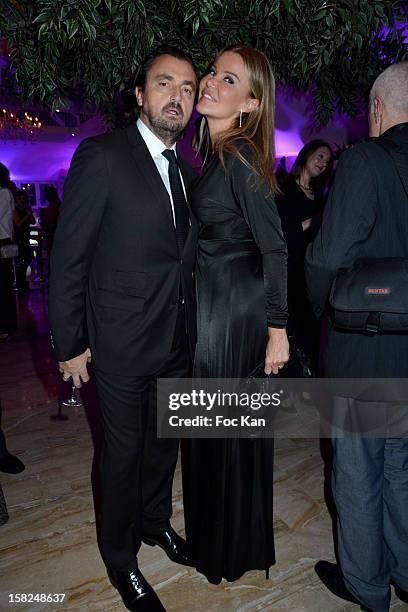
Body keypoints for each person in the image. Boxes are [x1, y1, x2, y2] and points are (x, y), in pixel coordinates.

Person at [49, 46, 198, 612]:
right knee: (123, 454)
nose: (176, 98)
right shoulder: (103, 155)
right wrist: (70, 344)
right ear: (140, 94)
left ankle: (155, 523)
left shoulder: (186, 171)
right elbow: (69, 259)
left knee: (163, 449)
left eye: (186, 88)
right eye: (165, 84)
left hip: (175, 341)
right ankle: (119, 558)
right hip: (118, 343)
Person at [182, 45, 289, 584]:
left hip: (235, 312)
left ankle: (225, 547)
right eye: (213, 72)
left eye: (229, 80)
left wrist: (278, 328)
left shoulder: (240, 156)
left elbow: (274, 246)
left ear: (249, 103)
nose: (209, 83)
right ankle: (227, 543)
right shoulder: (220, 153)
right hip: (219, 306)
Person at [305, 62, 408, 612]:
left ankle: (368, 586)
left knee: (360, 472)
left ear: (376, 109)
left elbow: (326, 257)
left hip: (366, 348)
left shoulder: (365, 160)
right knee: (404, 468)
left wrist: (323, 311)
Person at [276, 140, 333, 369]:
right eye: (320, 156)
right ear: (306, 155)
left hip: (310, 273)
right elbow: (281, 233)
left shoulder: (321, 198)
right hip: (288, 271)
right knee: (288, 334)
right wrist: (316, 220)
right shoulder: (284, 188)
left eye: (327, 161)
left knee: (309, 335)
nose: (323, 163)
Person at [0, 162, 17, 340]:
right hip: (3, 242)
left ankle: (6, 326)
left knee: (3, 285)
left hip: (3, 243)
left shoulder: (4, 193)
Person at [13, 190, 34, 291]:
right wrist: (27, 215)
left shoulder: (26, 209)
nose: (22, 200)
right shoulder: (15, 210)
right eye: (20, 198)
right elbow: (18, 224)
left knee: (27, 259)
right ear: (16, 199)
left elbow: (33, 221)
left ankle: (23, 283)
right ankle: (20, 284)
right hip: (19, 239)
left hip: (26, 238)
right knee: (21, 261)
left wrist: (29, 213)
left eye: (23, 198)